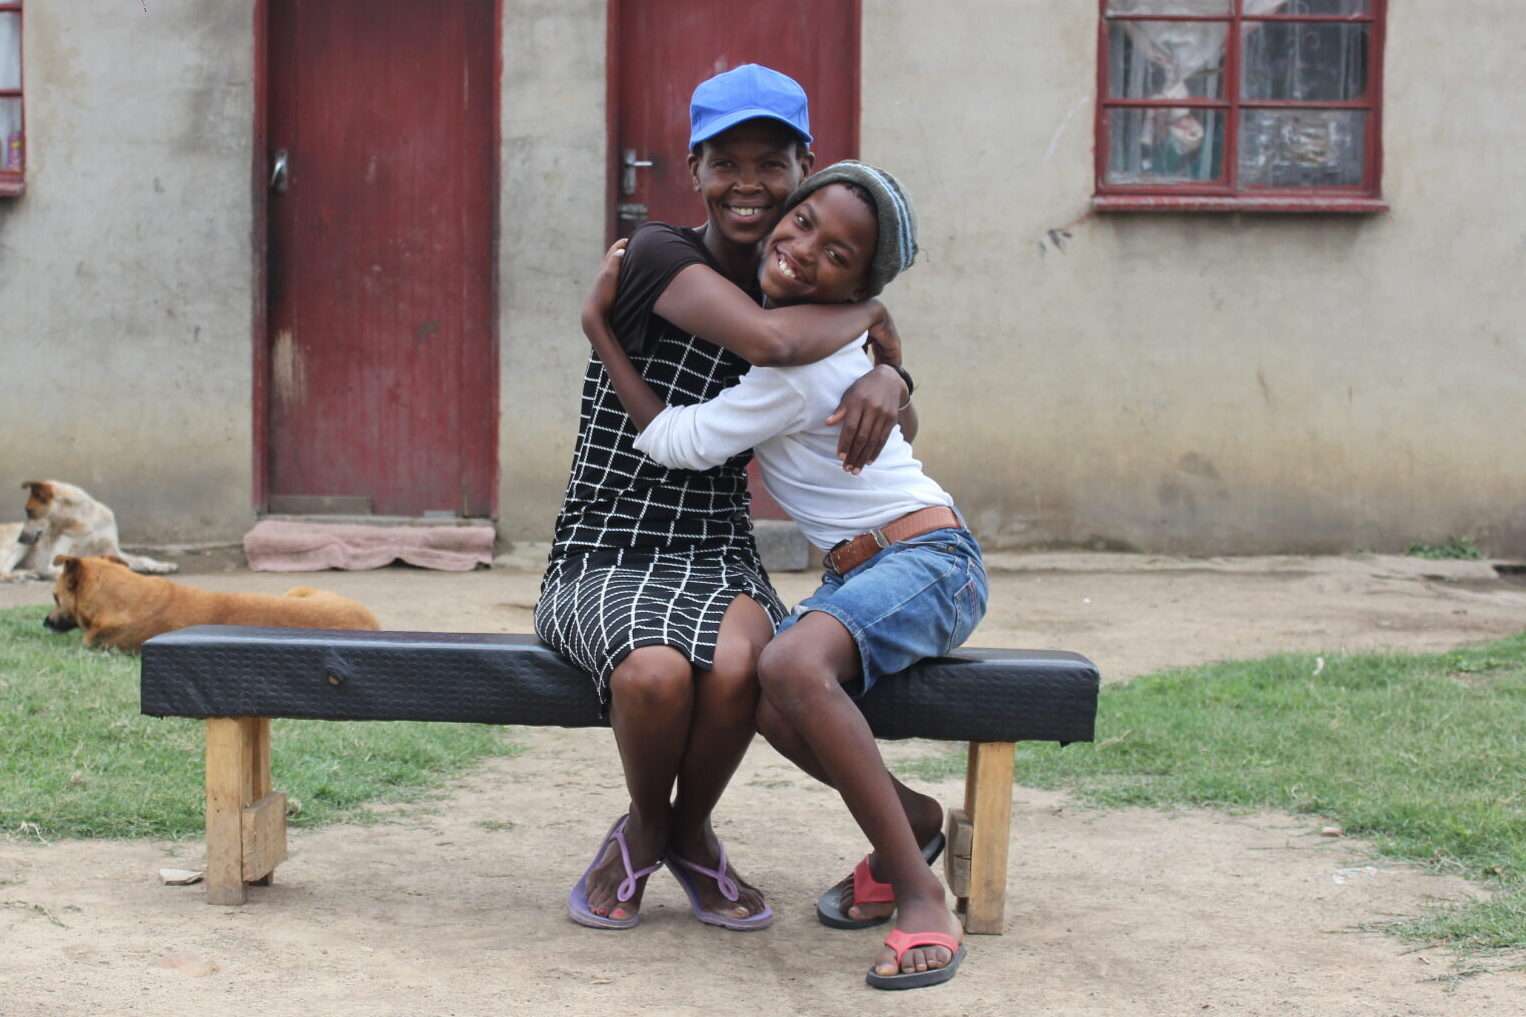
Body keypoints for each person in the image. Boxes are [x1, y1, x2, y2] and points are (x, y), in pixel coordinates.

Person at [581, 162, 986, 989]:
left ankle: (919, 895)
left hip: (929, 559)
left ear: (855, 288)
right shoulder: (827, 345)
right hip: (868, 570)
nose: (803, 250)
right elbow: (886, 401)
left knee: (788, 663)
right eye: (802, 223)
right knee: (770, 697)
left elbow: (675, 441)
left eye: (837, 256)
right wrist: (890, 365)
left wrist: (600, 329)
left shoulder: (800, 361)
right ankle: (910, 819)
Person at [537, 65, 911, 932]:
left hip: (715, 545)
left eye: (770, 163)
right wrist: (877, 318)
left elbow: (893, 414)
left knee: (742, 666)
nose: (748, 184)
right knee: (657, 674)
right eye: (725, 161)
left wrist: (893, 373)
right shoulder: (661, 255)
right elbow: (770, 342)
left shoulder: (809, 283)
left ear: (803, 167)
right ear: (694, 168)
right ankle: (652, 828)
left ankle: (688, 827)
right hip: (606, 541)